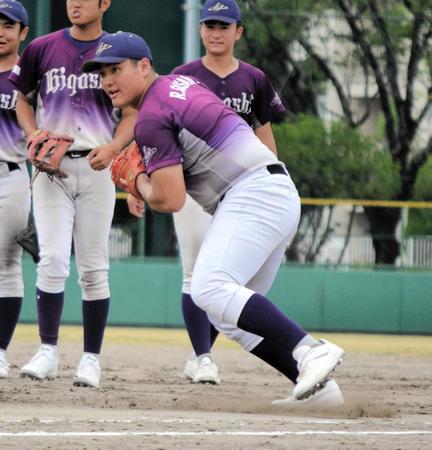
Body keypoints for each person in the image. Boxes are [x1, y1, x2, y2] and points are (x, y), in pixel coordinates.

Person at [82, 31, 345, 405]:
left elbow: (170, 199)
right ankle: (321, 390)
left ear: (144, 66)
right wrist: (147, 172)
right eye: (101, 72)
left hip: (251, 193)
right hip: (273, 191)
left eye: (115, 69)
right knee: (227, 314)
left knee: (208, 286)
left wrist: (137, 183)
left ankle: (309, 350)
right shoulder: (180, 84)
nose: (107, 81)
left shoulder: (151, 117)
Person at [9, 0, 135, 388]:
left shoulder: (120, 50)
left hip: (98, 166)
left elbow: (134, 109)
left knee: (95, 268)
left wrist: (114, 149)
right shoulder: (42, 48)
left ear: (105, 3)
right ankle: (48, 350)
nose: (75, 3)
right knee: (52, 261)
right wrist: (32, 135)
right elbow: (23, 99)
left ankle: (91, 359)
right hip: (51, 168)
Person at [169, 0, 287, 385]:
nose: (215, 32)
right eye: (209, 25)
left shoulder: (253, 78)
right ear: (201, 30)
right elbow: (163, 130)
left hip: (246, 188)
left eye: (224, 25)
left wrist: (277, 180)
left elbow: (264, 131)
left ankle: (202, 352)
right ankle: (203, 357)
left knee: (228, 279)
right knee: (194, 272)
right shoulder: (183, 77)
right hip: (195, 184)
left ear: (239, 32)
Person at [0, 0, 29, 379]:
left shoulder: (28, 76)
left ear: (23, 32)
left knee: (6, 266)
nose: (1, 31)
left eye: (9, 25)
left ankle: (0, 350)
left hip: (12, 174)